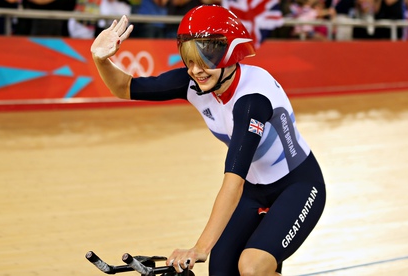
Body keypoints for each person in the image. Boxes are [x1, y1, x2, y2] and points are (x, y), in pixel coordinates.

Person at [91, 5, 326, 275]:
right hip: (254, 188)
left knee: (251, 267)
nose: (196, 70)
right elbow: (124, 87)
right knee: (221, 271)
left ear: (230, 54)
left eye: (206, 59)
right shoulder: (194, 83)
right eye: (189, 59)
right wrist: (100, 59)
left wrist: (200, 247)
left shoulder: (251, 101)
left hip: (297, 186)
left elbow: (233, 182)